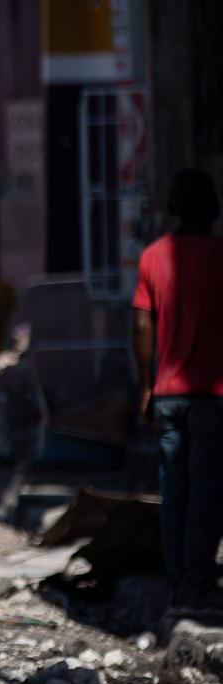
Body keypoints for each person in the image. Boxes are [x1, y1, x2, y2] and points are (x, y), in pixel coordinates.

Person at [133, 170, 223, 610]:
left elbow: (141, 322)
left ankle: (177, 581)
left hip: (168, 392)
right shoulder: (219, 256)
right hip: (213, 394)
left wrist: (146, 385)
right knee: (207, 489)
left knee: (176, 490)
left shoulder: (152, 257)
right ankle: (197, 583)